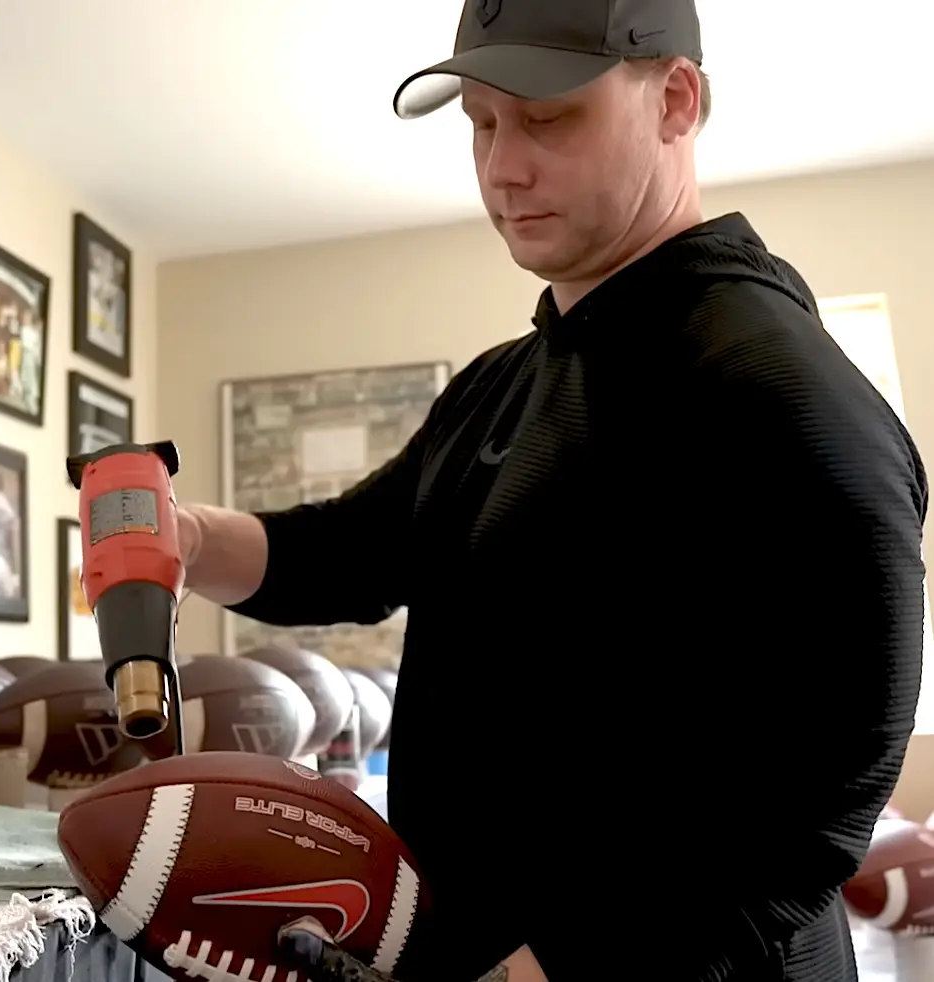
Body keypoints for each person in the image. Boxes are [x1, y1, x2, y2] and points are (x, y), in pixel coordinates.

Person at [177, 1, 927, 980]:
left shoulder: (771, 386)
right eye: (480, 125)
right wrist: (180, 537)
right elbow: (348, 552)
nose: (500, 167)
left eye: (545, 118)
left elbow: (813, 799)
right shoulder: (506, 381)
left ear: (674, 101)